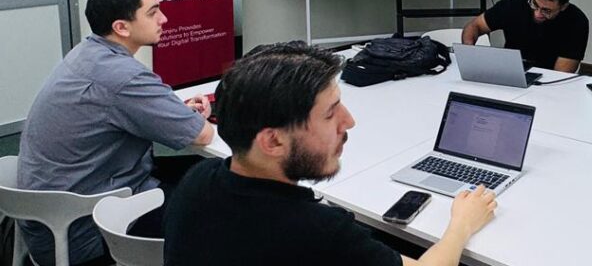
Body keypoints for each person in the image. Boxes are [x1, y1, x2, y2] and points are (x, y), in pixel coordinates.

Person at [163, 42, 497, 266]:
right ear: (273, 141)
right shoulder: (317, 232)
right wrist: (462, 224)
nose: (348, 121)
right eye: (329, 113)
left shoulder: (197, 181)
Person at [17, 0, 214, 266]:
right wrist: (192, 118)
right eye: (153, 12)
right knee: (216, 201)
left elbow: (120, 107)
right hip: (87, 230)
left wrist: (169, 112)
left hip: (53, 215)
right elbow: (201, 135)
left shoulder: (86, 53)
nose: (164, 19)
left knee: (201, 174)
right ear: (121, 27)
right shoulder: (124, 77)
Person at [462, 0, 589, 73]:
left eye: (546, 11)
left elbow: (560, 75)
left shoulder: (576, 22)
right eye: (534, 4)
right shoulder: (514, 3)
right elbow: (475, 26)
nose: (537, 14)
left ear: (563, 6)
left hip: (547, 80)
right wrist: (469, 54)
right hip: (509, 72)